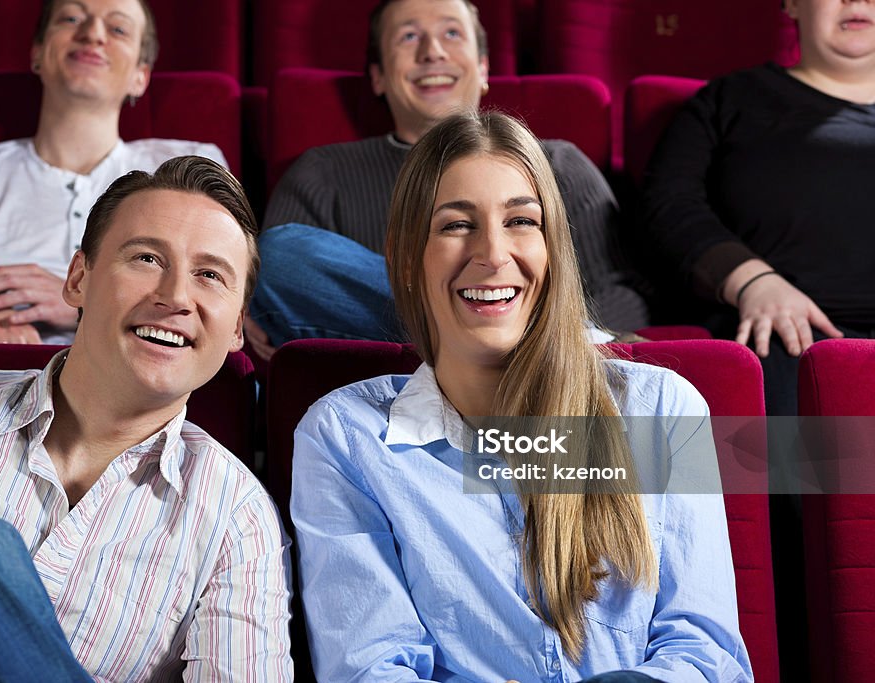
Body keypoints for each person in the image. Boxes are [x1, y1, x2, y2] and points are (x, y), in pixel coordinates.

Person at [291, 112, 752, 682]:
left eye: (520, 221)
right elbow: (371, 670)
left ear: (552, 248)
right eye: (456, 225)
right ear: (407, 257)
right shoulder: (345, 437)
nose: (492, 253)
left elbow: (707, 657)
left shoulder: (662, 410)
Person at [0, 156, 292, 681]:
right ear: (78, 280)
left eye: (210, 275)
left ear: (237, 329)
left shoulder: (237, 517)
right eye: (148, 259)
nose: (175, 296)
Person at [247, 0, 649, 360]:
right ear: (379, 78)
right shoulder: (322, 170)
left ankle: (515, 345)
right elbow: (276, 284)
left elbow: (623, 294)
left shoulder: (558, 162)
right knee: (278, 252)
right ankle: (511, 346)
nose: (432, 51)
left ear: (484, 67)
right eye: (408, 37)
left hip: (549, 365)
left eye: (452, 34)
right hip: (384, 366)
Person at [0, 0, 226, 345]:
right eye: (72, 18)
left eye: (118, 29)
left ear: (141, 76)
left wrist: (86, 304)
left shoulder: (188, 167)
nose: (93, 34)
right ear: (37, 54)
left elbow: (224, 300)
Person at [636, 0, 875, 416]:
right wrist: (752, 282)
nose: (858, 0)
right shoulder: (729, 101)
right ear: (793, 5)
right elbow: (669, 204)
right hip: (779, 335)